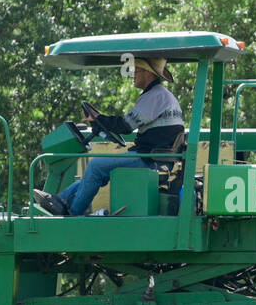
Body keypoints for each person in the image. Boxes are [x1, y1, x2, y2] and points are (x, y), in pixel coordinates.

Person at [33, 57, 184, 216]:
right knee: (96, 173)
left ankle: (72, 214)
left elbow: (125, 126)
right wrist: (100, 119)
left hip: (149, 160)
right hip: (154, 158)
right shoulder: (161, 96)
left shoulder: (155, 96)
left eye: (136, 70)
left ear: (148, 73)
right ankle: (59, 202)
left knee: (96, 166)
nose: (132, 74)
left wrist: (99, 118)